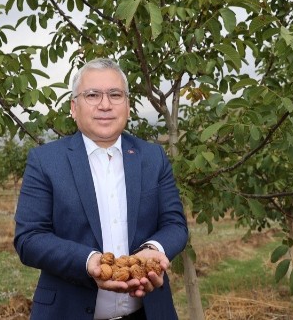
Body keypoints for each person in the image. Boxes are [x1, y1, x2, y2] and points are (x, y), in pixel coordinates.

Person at [14, 58, 189, 320]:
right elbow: (29, 238)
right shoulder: (46, 161)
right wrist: (89, 261)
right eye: (92, 95)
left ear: (128, 107)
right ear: (74, 107)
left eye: (115, 95)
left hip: (149, 313)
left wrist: (153, 250)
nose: (105, 105)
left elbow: (175, 224)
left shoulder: (153, 157)